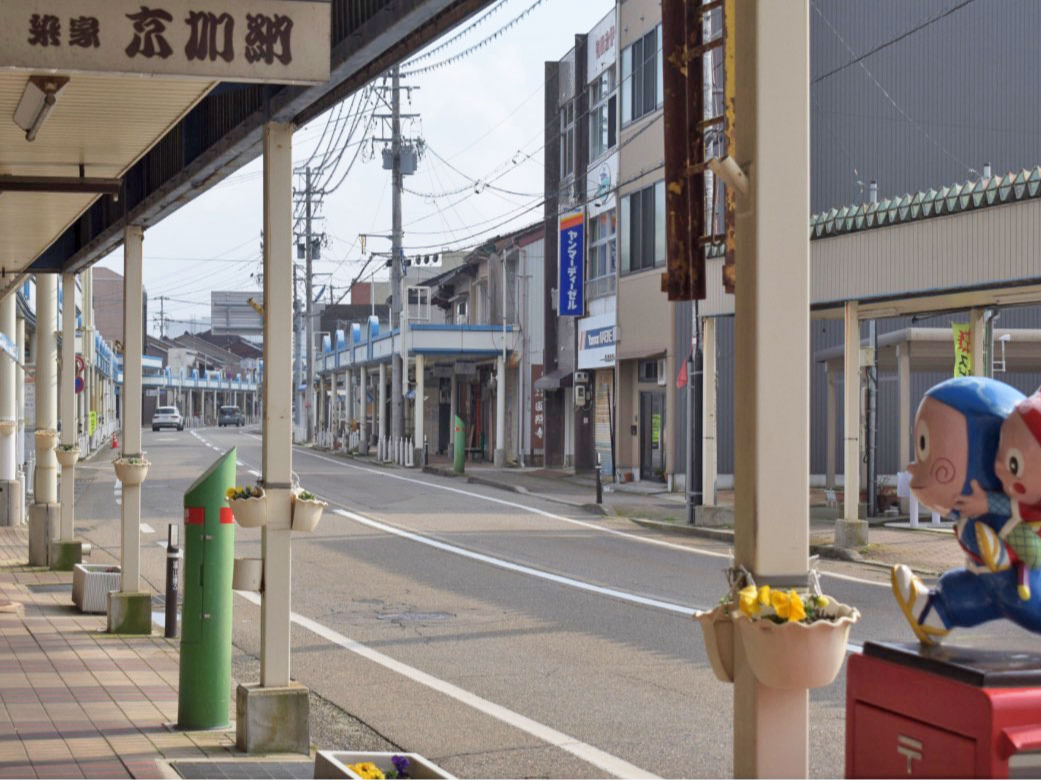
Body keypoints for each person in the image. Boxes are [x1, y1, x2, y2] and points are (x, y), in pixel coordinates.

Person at [891, 377, 1041, 644]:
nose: (999, 468)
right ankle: (934, 613)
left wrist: (987, 505)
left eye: (1013, 464)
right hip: (992, 572)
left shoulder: (1020, 507)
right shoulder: (1001, 503)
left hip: (1026, 574)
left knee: (1018, 585)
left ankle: (999, 559)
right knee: (971, 587)